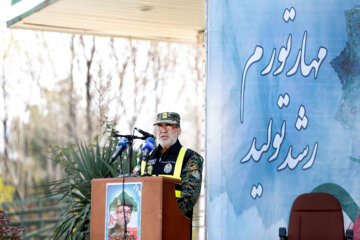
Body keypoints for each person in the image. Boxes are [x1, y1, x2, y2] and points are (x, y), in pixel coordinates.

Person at [140, 112, 204, 222]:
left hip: (174, 224)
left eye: (168, 126)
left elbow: (189, 197)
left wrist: (159, 214)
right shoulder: (147, 156)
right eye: (160, 126)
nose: (163, 131)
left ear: (178, 131)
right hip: (146, 223)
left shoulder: (190, 157)